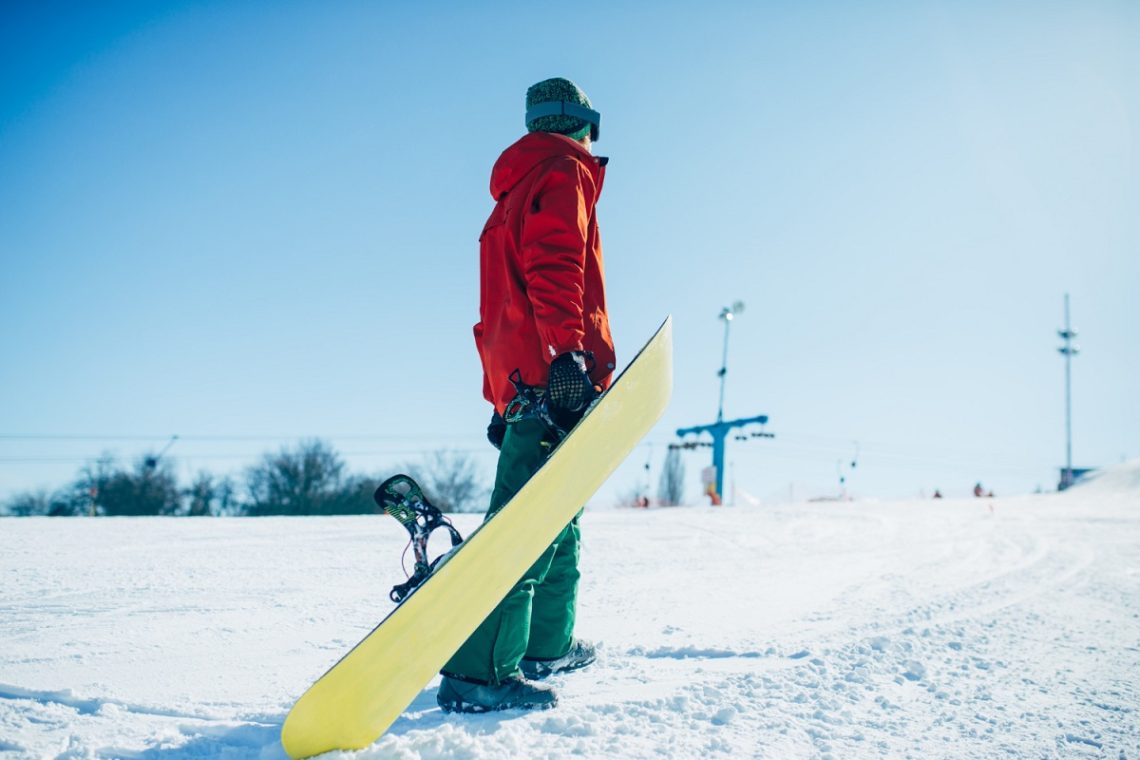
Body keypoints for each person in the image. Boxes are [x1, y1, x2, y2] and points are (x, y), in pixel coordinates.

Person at [436, 77, 615, 714]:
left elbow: (495, 313)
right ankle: (479, 674)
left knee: (556, 514)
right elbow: (554, 266)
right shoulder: (562, 173)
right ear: (580, 123)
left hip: (525, 384)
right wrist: (570, 355)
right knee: (524, 528)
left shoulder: (512, 191)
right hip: (551, 375)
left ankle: (547, 645)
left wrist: (498, 400)